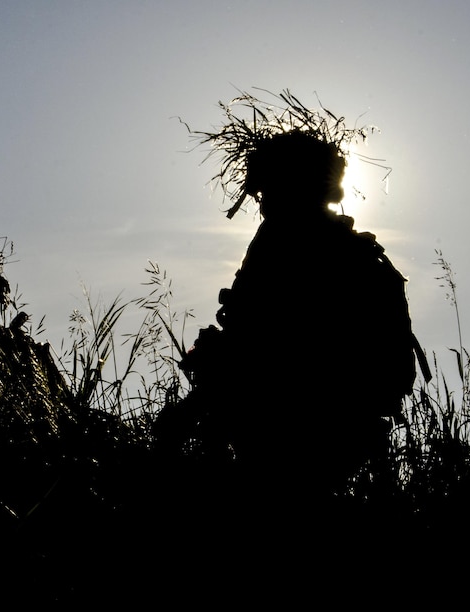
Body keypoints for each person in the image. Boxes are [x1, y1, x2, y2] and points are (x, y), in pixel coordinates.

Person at [156, 126, 429, 495]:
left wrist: (189, 412)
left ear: (288, 187)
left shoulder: (287, 243)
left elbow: (263, 344)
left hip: (296, 416)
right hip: (340, 424)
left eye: (267, 191)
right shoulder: (349, 249)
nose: (262, 202)